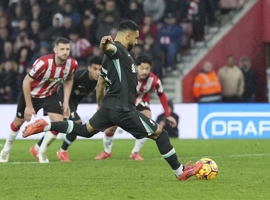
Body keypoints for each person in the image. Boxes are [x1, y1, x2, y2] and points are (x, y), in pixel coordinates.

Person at [22, 20, 202, 181]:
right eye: (136, 38)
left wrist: (100, 104)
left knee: (85, 130)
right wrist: (104, 44)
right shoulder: (118, 51)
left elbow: (100, 83)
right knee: (160, 133)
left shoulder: (110, 61)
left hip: (108, 107)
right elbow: (109, 48)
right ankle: (180, 172)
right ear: (128, 35)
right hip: (123, 108)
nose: (137, 41)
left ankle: (45, 125)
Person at [0, 37, 78, 163]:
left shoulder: (72, 64)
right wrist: (29, 106)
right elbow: (26, 81)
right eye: (62, 49)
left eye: (67, 49)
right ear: (55, 50)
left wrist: (66, 102)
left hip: (50, 95)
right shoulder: (44, 63)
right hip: (31, 95)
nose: (65, 52)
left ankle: (41, 150)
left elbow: (69, 79)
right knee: (18, 123)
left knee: (59, 125)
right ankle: (6, 149)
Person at [94, 55, 173, 161]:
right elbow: (109, 89)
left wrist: (168, 115)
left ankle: (135, 152)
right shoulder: (126, 75)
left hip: (141, 103)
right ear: (136, 67)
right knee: (110, 128)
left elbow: (162, 95)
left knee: (147, 122)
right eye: (142, 68)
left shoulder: (154, 80)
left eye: (147, 68)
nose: (144, 71)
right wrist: (103, 105)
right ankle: (107, 151)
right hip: (123, 103)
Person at [30, 56, 103, 162]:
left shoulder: (100, 80)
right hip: (62, 98)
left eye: (100, 69)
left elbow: (100, 91)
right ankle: (61, 150)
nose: (98, 72)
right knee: (76, 123)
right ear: (89, 68)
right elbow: (64, 84)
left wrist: (100, 104)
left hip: (73, 102)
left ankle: (36, 148)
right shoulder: (79, 76)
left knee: (59, 126)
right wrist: (64, 103)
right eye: (95, 69)